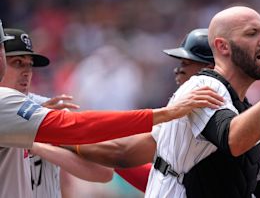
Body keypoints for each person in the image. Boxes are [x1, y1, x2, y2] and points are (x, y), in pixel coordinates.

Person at [64, 7, 260, 198]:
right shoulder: (203, 86)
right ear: (222, 47)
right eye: (252, 33)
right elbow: (233, 139)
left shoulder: (246, 110)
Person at [0, 21, 224, 198]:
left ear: (210, 68)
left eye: (29, 64)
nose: (177, 71)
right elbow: (115, 154)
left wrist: (41, 142)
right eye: (17, 63)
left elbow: (109, 163)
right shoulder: (39, 110)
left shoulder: (45, 108)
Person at [73, 28, 215, 192]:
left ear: (208, 69)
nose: (177, 70)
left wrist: (61, 138)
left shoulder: (207, 108)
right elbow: (162, 174)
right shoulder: (201, 104)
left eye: (186, 63)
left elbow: (122, 152)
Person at [0, 28, 114, 198]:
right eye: (17, 63)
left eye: (29, 65)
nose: (27, 72)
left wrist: (36, 145)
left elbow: (104, 172)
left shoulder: (48, 110)